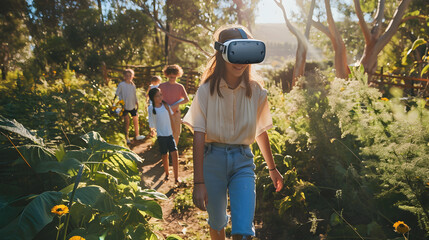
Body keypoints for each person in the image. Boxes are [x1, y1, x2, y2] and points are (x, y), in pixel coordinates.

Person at [183, 25, 284, 240]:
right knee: (217, 221)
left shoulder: (257, 91)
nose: (241, 62)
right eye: (236, 53)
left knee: (243, 228)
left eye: (247, 54)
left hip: (243, 161)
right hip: (213, 161)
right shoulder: (206, 90)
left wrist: (272, 168)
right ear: (222, 52)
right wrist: (198, 182)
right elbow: (198, 134)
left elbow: (260, 131)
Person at [148, 87, 180, 184]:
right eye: (157, 96)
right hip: (161, 136)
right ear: (152, 98)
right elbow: (151, 120)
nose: (160, 97)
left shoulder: (165, 105)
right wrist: (152, 130)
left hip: (169, 134)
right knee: (164, 155)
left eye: (161, 95)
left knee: (174, 153)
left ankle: (176, 177)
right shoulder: (151, 108)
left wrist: (174, 129)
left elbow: (171, 117)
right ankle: (167, 173)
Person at [158, 65, 189, 147]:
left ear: (177, 75)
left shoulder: (180, 87)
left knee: (176, 133)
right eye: (170, 76)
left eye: (174, 76)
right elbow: (156, 98)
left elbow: (187, 99)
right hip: (164, 113)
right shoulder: (161, 86)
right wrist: (165, 106)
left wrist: (176, 104)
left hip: (176, 113)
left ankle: (173, 151)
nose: (172, 78)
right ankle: (165, 152)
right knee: (165, 133)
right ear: (167, 75)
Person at [115, 69, 145, 144]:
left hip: (132, 105)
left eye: (130, 75)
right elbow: (117, 94)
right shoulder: (121, 84)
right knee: (127, 121)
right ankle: (126, 137)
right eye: (127, 75)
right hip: (124, 106)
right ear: (124, 76)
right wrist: (119, 104)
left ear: (132, 76)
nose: (128, 77)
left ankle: (137, 135)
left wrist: (137, 102)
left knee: (135, 119)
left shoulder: (133, 85)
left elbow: (134, 95)